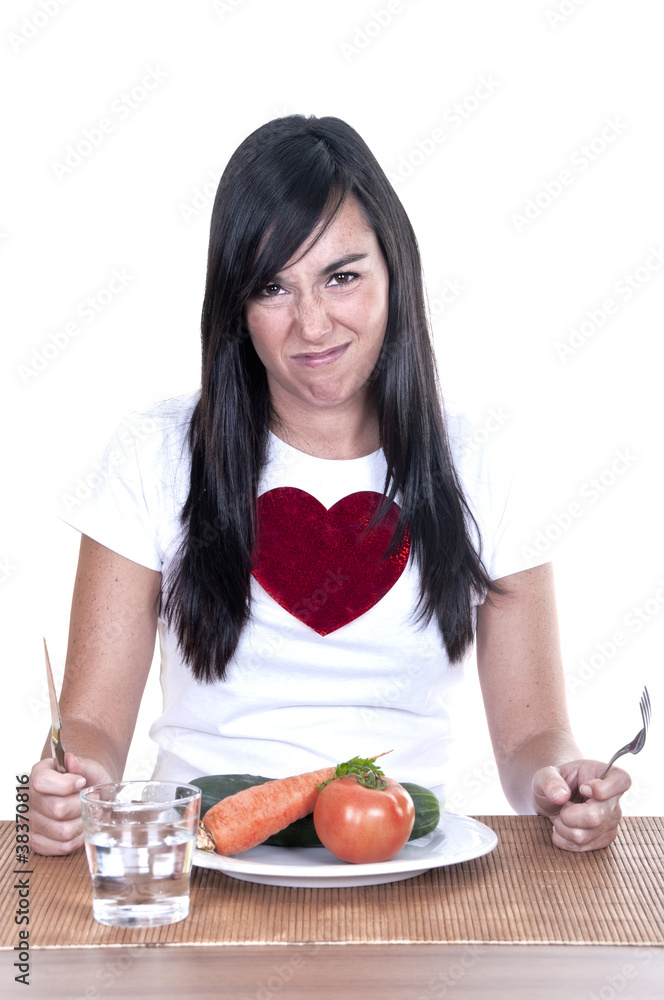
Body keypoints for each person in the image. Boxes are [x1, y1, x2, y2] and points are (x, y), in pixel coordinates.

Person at [30, 114, 630, 856]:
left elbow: (532, 738)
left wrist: (560, 781)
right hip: (203, 860)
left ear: (394, 273)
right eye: (272, 287)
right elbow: (91, 725)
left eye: (341, 276)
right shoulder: (155, 451)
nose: (312, 325)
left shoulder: (479, 462)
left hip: (404, 856)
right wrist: (74, 777)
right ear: (235, 307)